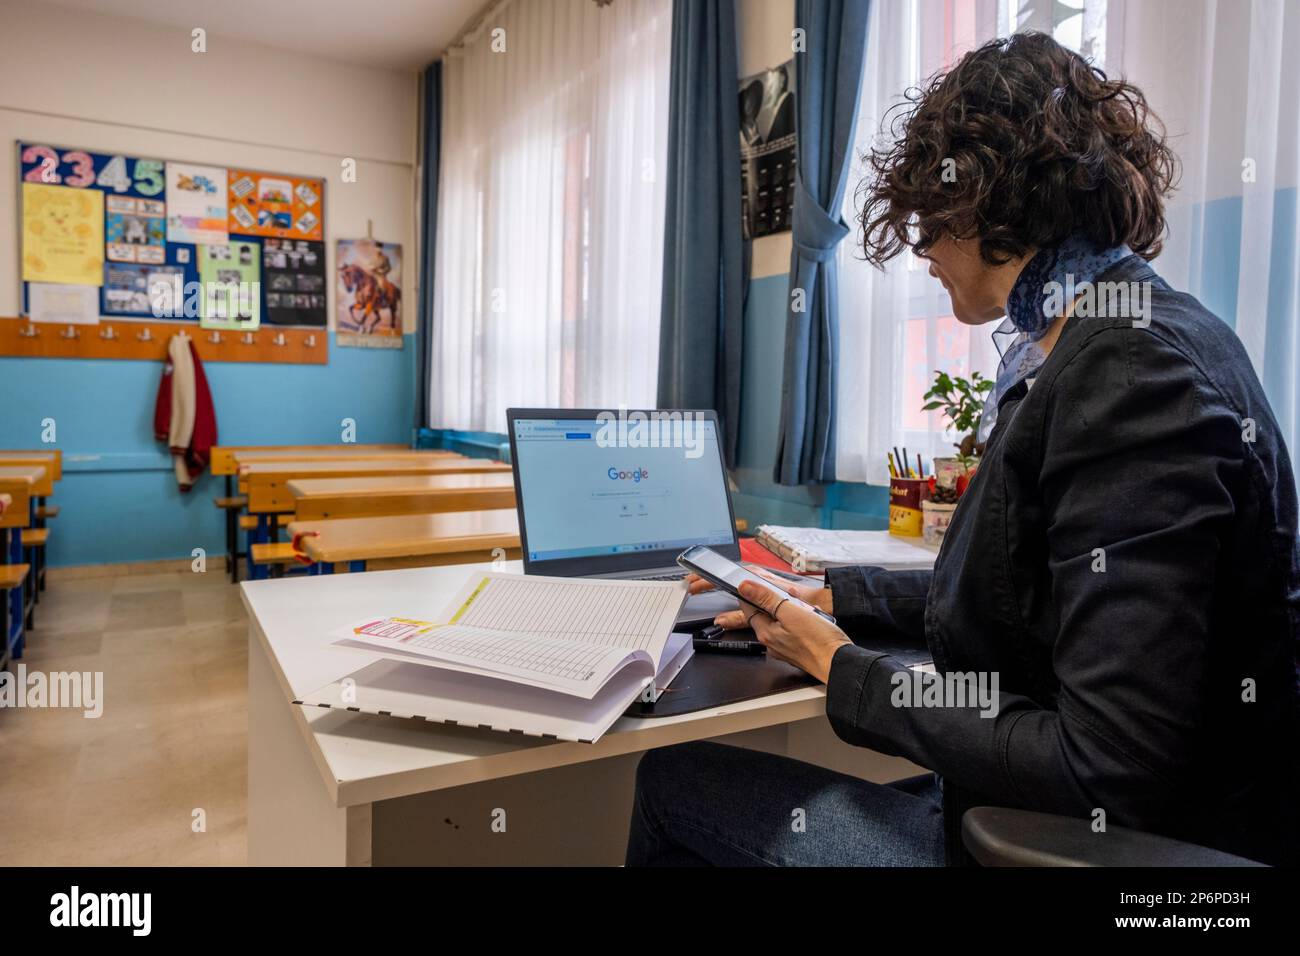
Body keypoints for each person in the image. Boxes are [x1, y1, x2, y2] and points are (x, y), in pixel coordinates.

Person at [626, 31, 1299, 867]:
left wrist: (846, 673)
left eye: (931, 223)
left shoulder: (1129, 375)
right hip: (1075, 823)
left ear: (989, 206)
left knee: (673, 779)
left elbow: (1106, 766)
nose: (924, 254)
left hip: (1098, 853)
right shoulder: (1143, 329)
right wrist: (833, 596)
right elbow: (1027, 589)